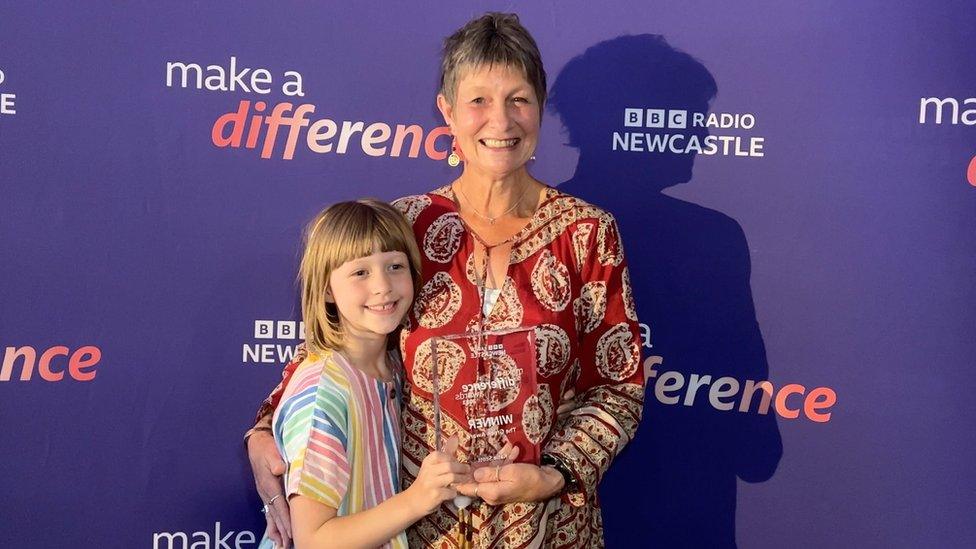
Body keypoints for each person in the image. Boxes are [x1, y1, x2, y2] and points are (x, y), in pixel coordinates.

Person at [247, 13, 644, 548]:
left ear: (541, 110)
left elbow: (618, 388)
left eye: (519, 99)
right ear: (447, 111)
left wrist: (554, 474)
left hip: (550, 529)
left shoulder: (589, 234)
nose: (500, 121)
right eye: (478, 100)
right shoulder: (405, 225)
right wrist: (268, 421)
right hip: (424, 528)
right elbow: (340, 340)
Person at [255, 199, 474, 549]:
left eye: (395, 266)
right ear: (326, 288)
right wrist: (418, 498)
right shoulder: (322, 396)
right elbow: (315, 540)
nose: (383, 286)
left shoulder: (394, 370)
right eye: (360, 272)